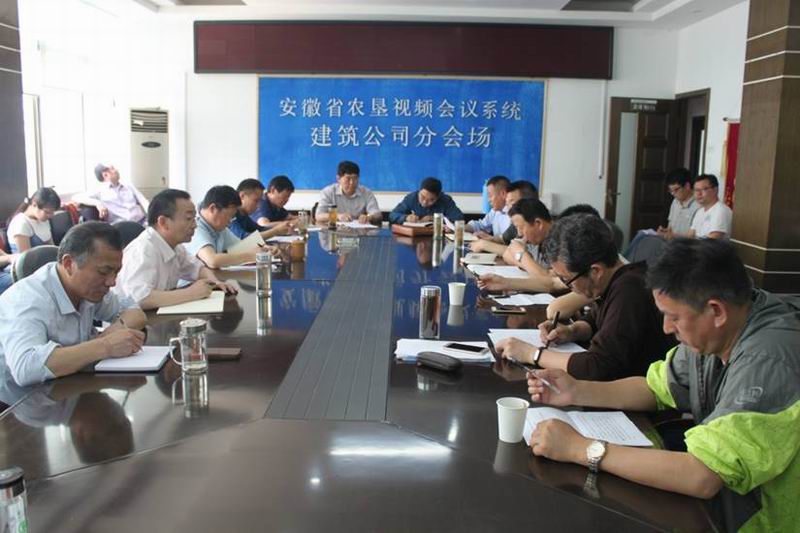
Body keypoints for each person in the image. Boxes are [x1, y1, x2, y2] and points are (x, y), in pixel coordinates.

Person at [524, 239, 800, 531]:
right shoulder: (719, 330)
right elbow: (656, 387)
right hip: (721, 506)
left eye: (673, 317)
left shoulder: (769, 359)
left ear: (716, 311)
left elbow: (703, 476)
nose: (667, 328)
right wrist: (577, 390)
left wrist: (580, 449)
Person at [495, 214, 675, 380]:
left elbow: (599, 366)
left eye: (566, 279)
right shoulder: (617, 281)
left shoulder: (630, 290)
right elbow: (596, 320)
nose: (568, 286)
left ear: (595, 271)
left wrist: (532, 354)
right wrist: (572, 331)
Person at [0, 222, 147, 387]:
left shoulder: (87, 289)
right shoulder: (26, 299)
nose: (112, 282)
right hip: (25, 398)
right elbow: (26, 368)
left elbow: (134, 311)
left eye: (116, 272)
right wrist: (105, 346)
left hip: (70, 385)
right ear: (69, 264)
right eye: (103, 272)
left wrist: (111, 333)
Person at [114, 189, 237, 310]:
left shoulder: (175, 246)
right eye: (188, 219)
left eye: (194, 218)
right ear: (163, 222)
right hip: (128, 319)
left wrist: (215, 282)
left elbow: (197, 268)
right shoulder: (143, 250)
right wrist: (191, 293)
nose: (194, 225)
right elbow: (139, 298)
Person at [477, 199, 561, 294]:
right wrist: (527, 264)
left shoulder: (562, 240)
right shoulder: (536, 237)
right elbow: (507, 254)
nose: (519, 233)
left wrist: (522, 254)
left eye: (520, 227)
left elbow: (548, 281)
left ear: (538, 224)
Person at [185, 185, 272, 268]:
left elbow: (242, 246)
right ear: (213, 208)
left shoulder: (219, 228)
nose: (230, 222)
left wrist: (264, 248)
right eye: (229, 216)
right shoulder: (195, 227)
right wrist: (251, 256)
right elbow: (212, 260)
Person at [470, 180, 537, 253]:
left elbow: (517, 253)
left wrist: (483, 244)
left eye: (512, 203)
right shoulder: (514, 225)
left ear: (528, 203)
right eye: (507, 204)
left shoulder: (533, 224)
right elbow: (502, 239)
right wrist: (488, 239)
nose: (508, 209)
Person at [73, 164, 149, 224]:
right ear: (105, 175)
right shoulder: (100, 190)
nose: (116, 170)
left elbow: (143, 201)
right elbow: (76, 197)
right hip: (120, 226)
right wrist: (98, 203)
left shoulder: (128, 185)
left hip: (142, 221)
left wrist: (151, 215)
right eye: (112, 168)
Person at [316, 161, 382, 224]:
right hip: (335, 230)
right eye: (348, 178)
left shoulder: (366, 193)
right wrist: (338, 216)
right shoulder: (328, 192)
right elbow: (319, 216)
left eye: (355, 178)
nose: (351, 182)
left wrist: (369, 217)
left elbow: (377, 214)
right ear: (338, 179)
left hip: (359, 231)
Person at [388, 177, 464, 224]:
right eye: (422, 197)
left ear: (438, 197)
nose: (424, 202)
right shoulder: (411, 198)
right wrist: (406, 217)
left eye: (431, 200)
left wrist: (435, 219)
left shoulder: (446, 200)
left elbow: (459, 219)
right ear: (419, 191)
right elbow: (392, 215)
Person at [6, 187, 61, 253]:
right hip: (29, 259)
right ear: (34, 204)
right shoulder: (21, 223)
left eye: (52, 212)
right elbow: (26, 256)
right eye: (47, 212)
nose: (51, 216)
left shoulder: (44, 220)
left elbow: (51, 247)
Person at [689, 174, 732, 239]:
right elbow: (690, 234)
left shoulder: (720, 210)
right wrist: (675, 237)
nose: (699, 194)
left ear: (715, 190)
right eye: (696, 190)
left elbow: (712, 240)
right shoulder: (699, 211)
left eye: (704, 189)